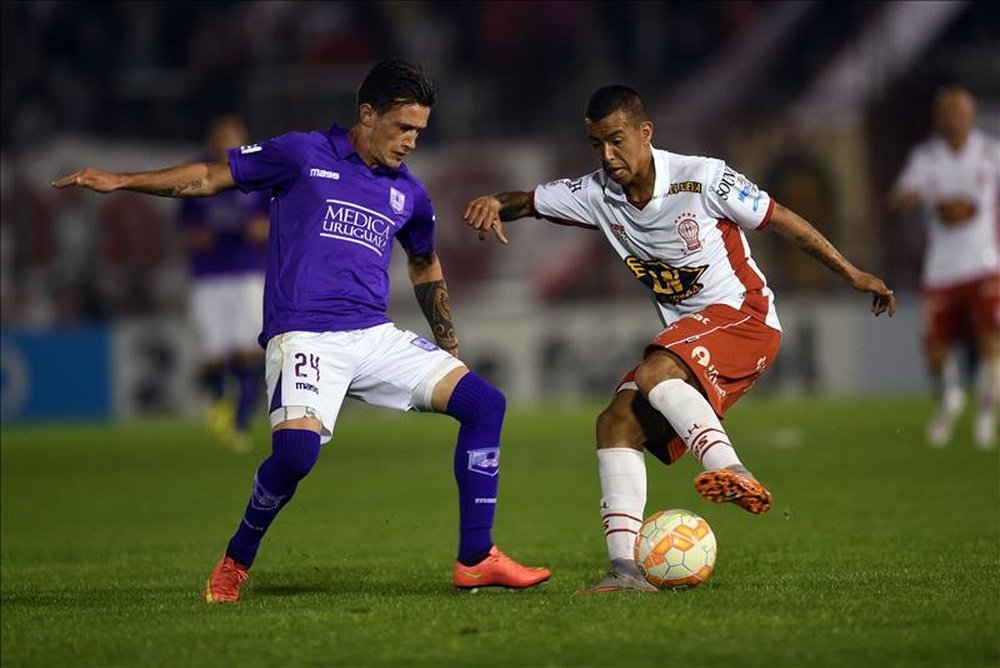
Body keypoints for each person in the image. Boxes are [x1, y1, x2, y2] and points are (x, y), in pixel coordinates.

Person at [53, 58, 550, 603]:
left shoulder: (409, 193)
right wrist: (122, 180)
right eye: (402, 127)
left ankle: (476, 558)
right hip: (304, 335)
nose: (411, 141)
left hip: (373, 335)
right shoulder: (301, 153)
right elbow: (207, 177)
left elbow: (424, 262)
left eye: (419, 131)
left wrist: (448, 344)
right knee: (295, 456)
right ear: (367, 113)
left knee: (485, 405)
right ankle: (237, 559)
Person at [463, 84, 896, 592]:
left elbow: (784, 222)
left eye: (617, 140)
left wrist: (851, 274)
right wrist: (494, 201)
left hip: (744, 317)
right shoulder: (597, 192)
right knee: (615, 422)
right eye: (596, 143)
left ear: (646, 133)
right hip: (687, 337)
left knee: (654, 372)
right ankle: (625, 571)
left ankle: (729, 468)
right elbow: (529, 202)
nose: (607, 155)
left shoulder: (704, 178)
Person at [888, 85, 998, 450]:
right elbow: (898, 198)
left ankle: (985, 416)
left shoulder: (990, 153)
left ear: (970, 115)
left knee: (989, 341)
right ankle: (951, 398)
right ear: (938, 118)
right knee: (936, 349)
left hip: (984, 262)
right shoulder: (926, 157)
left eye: (959, 111)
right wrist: (908, 197)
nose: (953, 117)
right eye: (947, 111)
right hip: (941, 268)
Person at [180, 115, 270, 453]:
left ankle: (241, 424)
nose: (226, 144)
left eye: (233, 137)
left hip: (248, 272)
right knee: (213, 354)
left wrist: (235, 232)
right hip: (208, 277)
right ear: (211, 140)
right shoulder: (197, 173)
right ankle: (220, 403)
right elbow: (190, 233)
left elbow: (266, 226)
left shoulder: (258, 174)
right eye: (221, 137)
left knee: (248, 349)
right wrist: (230, 231)